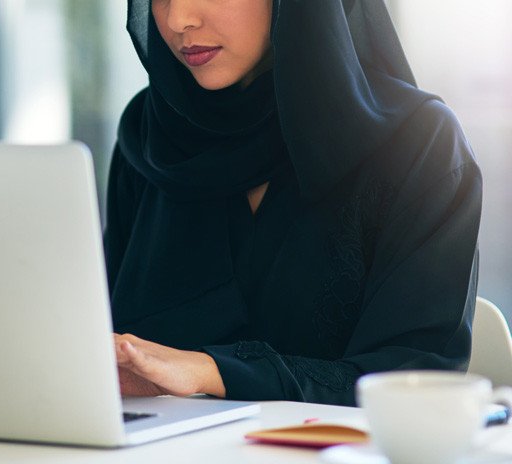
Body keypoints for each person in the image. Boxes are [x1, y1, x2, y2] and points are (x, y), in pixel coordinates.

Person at [106, 0, 482, 406]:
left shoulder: (419, 146)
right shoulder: (149, 141)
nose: (179, 19)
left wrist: (211, 372)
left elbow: (416, 380)